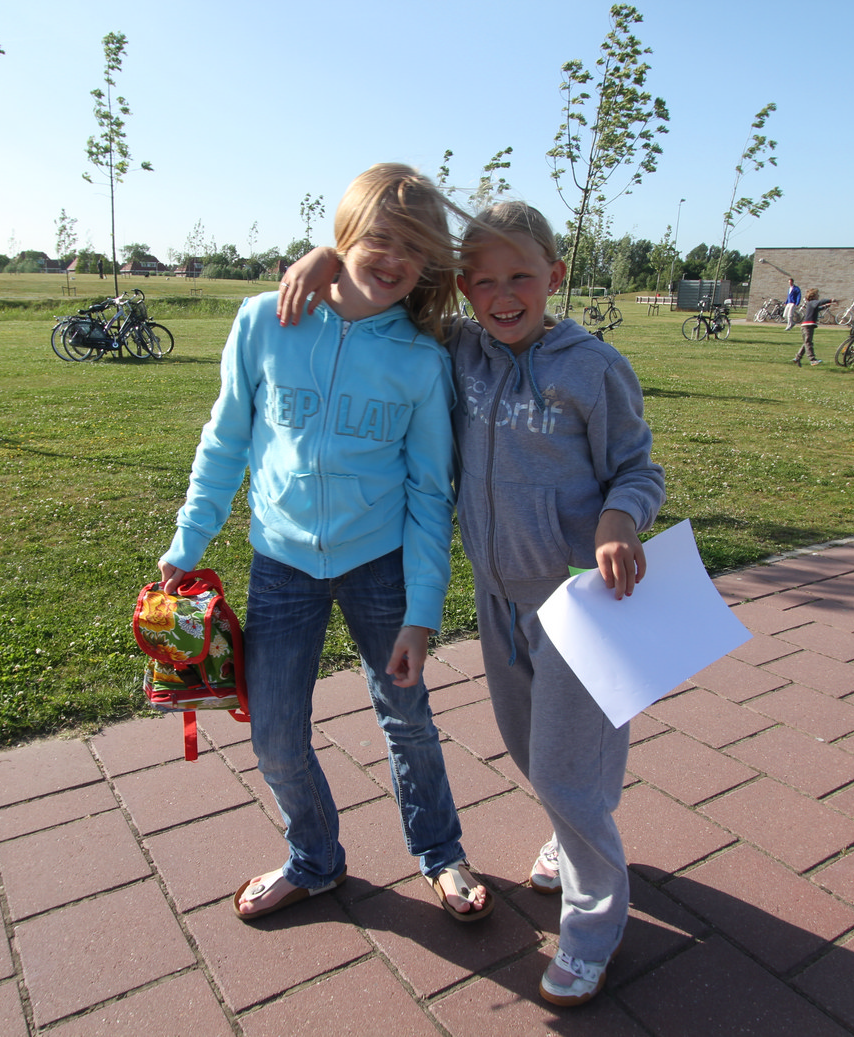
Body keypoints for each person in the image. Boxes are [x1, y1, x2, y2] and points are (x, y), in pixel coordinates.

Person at [280, 201, 665, 1008]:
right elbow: (385, 285)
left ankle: (593, 929)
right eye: (482, 281)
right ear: (462, 288)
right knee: (531, 753)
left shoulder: (592, 367)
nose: (502, 294)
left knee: (565, 771)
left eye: (520, 276)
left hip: (580, 602)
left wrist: (618, 518)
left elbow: (636, 467)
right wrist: (325, 256)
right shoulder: (458, 350)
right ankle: (571, 831)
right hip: (497, 600)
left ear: (554, 275)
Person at [158, 163, 492, 924]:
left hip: (380, 567)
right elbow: (224, 440)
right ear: (343, 234)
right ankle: (314, 859)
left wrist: (421, 613)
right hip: (281, 565)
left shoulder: (421, 358)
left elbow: (429, 493)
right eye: (379, 237)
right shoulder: (263, 321)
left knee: (407, 718)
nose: (394, 259)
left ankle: (440, 854)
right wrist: (189, 539)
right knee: (274, 736)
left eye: (414, 247)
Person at [794, 291, 835, 365]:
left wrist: (826, 306)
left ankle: (797, 358)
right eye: (817, 295)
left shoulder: (811, 304)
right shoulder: (812, 302)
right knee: (808, 343)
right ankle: (812, 359)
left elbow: (817, 308)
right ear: (812, 297)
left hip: (808, 326)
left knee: (806, 343)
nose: (818, 296)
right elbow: (820, 302)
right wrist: (830, 300)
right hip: (807, 326)